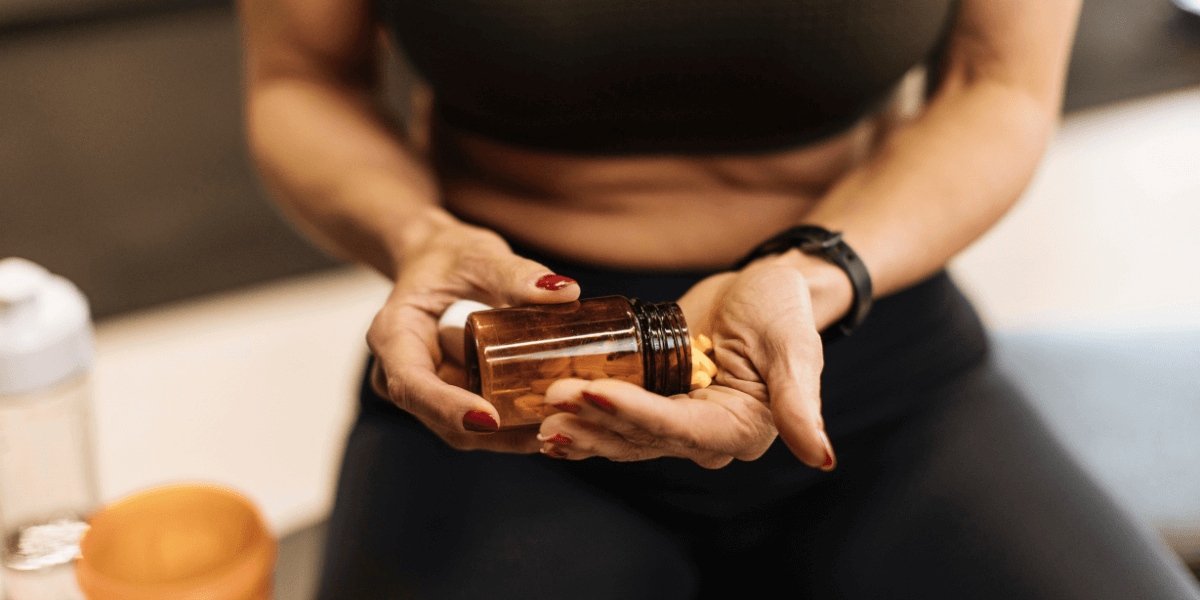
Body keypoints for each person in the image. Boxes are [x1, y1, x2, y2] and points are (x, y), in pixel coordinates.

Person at [239, 0, 1200, 597]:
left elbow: (999, 85)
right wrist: (420, 237)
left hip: (849, 327)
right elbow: (299, 77)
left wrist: (812, 270)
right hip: (509, 375)